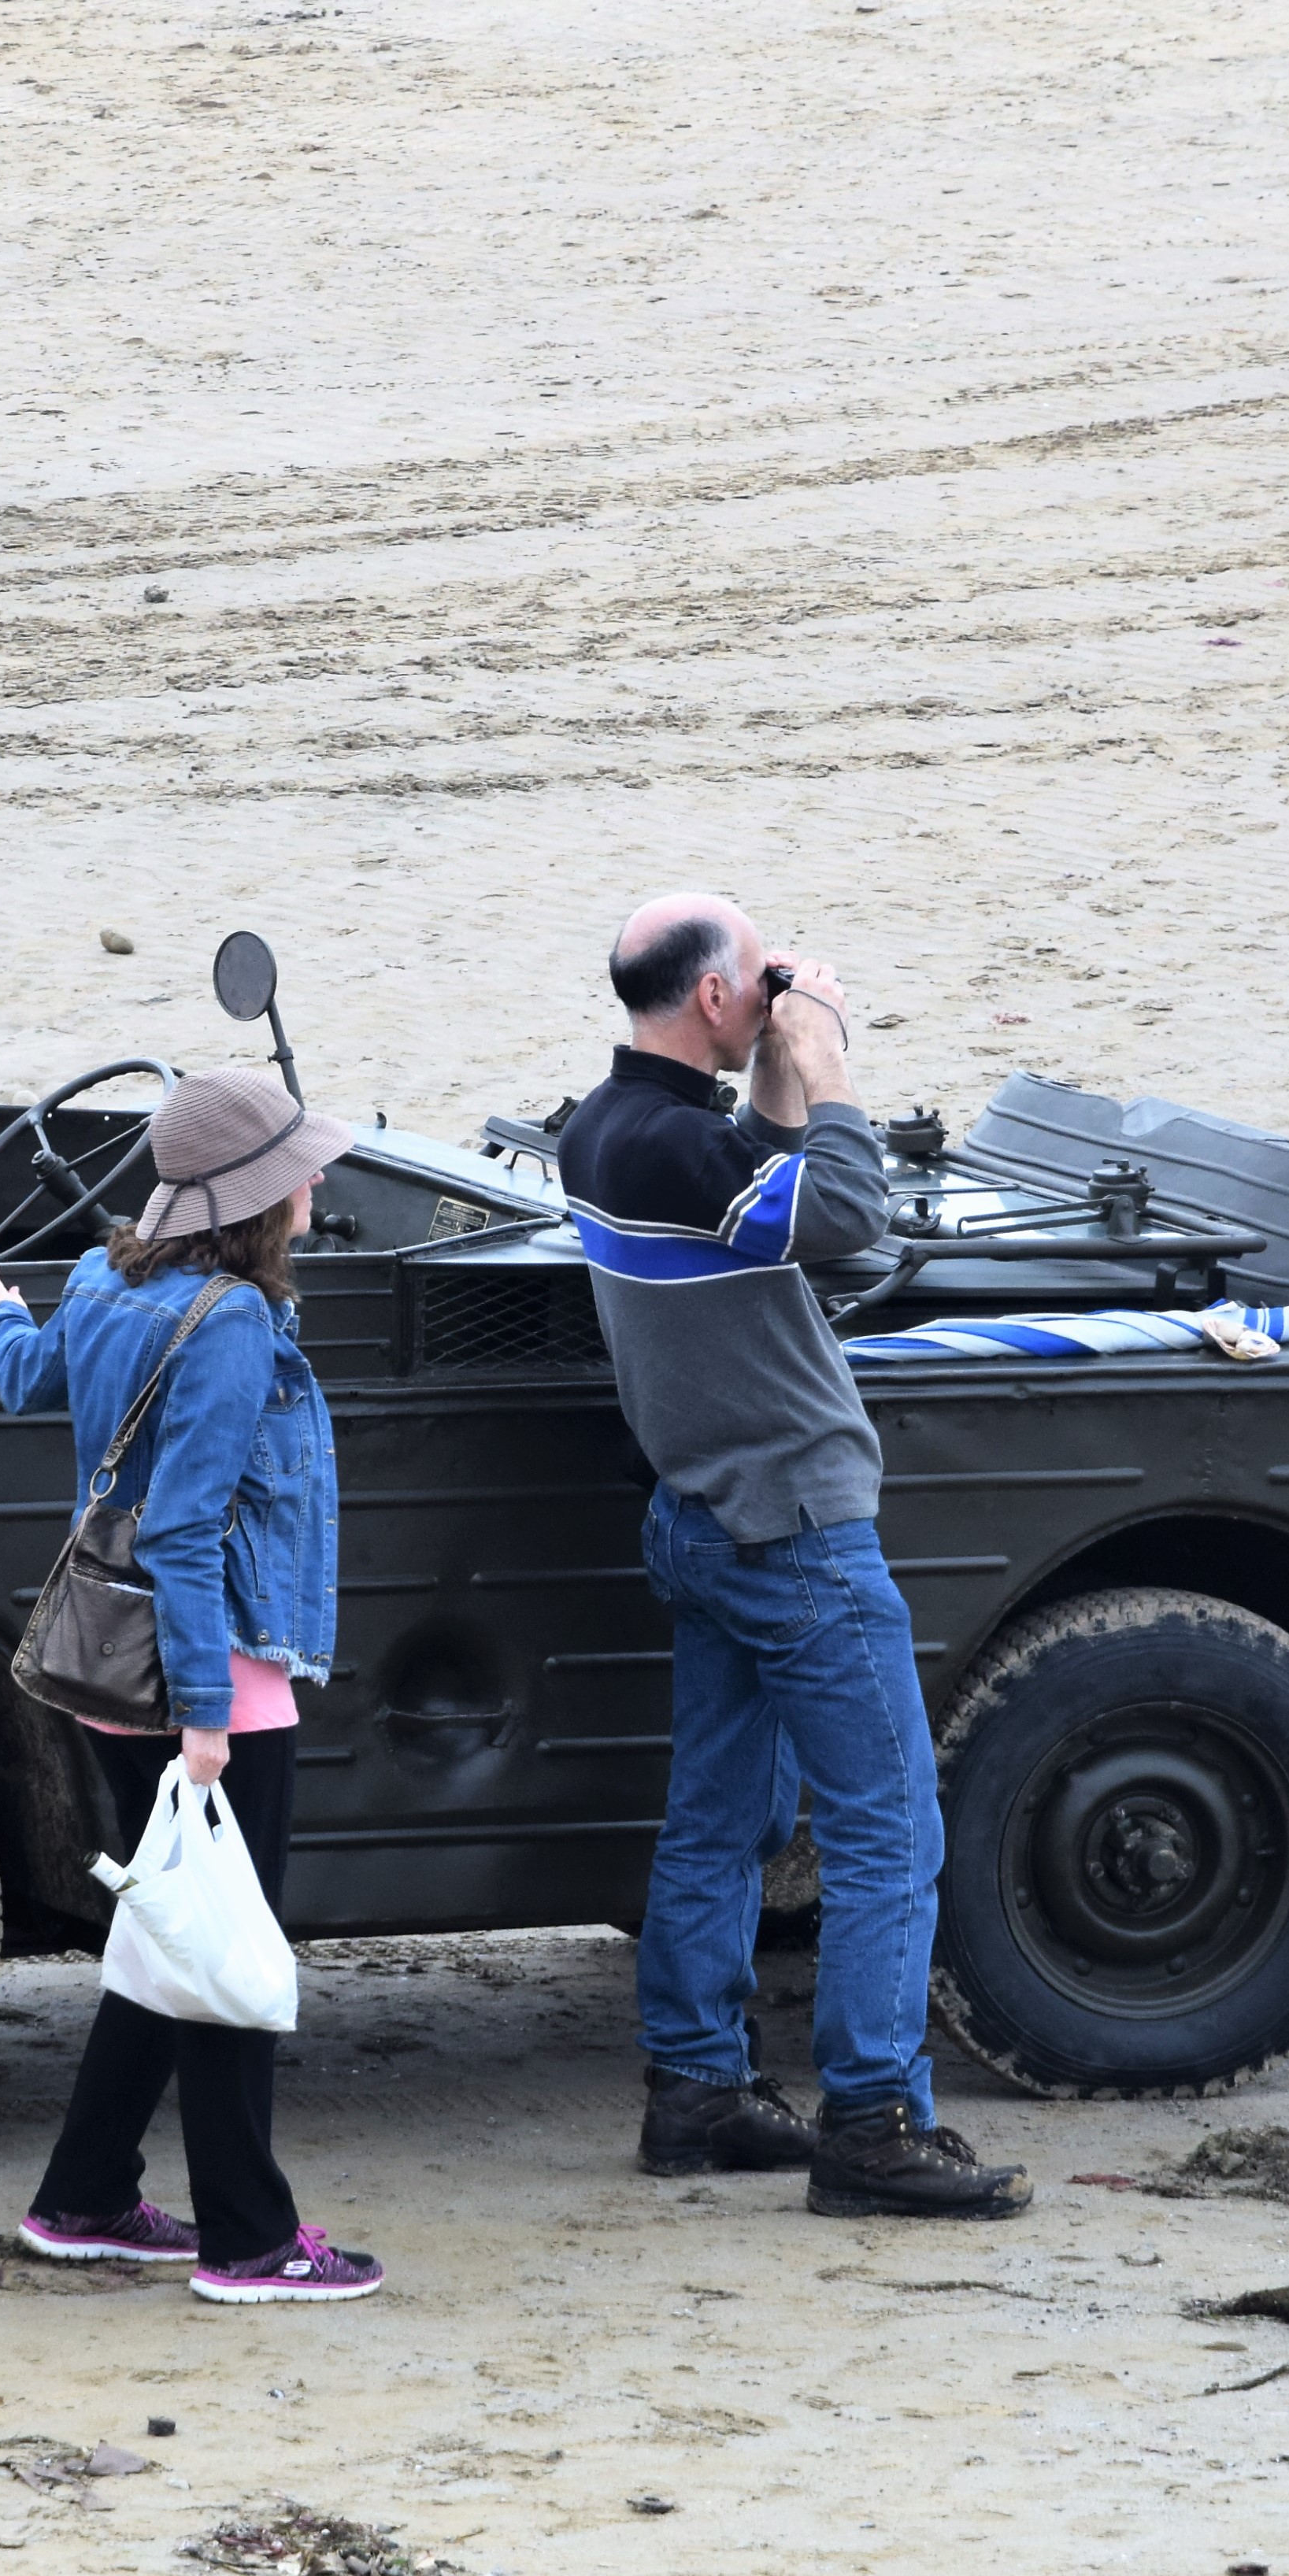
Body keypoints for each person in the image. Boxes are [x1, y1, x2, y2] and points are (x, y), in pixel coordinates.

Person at [555, 894, 1033, 2222]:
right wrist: (823, 1056)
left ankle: (696, 2091)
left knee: (719, 1823)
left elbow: (751, 1187)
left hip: (700, 1517)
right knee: (889, 1829)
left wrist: (770, 1069)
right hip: (794, 1536)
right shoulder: (673, 1148)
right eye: (754, 978)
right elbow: (847, 1214)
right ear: (715, 995)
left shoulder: (609, 1130)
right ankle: (874, 2125)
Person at [0, 1071, 380, 2302]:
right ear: (253, 1197)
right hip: (208, 1679)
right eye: (297, 1165)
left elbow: (33, 1381)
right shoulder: (230, 1320)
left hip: (110, 1672)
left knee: (168, 1928)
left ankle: (85, 2197)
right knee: (225, 1951)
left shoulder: (99, 1277)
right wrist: (206, 1716)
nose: (317, 1179)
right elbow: (183, 1529)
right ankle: (251, 2241)